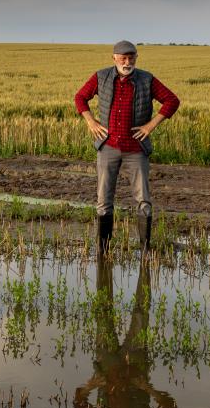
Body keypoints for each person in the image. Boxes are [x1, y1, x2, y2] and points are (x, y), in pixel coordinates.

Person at [74, 40, 180, 252]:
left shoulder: (146, 79)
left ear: (136, 58)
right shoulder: (101, 77)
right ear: (114, 58)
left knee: (143, 200)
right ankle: (103, 251)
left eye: (131, 57)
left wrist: (150, 126)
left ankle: (145, 250)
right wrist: (91, 122)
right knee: (104, 200)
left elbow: (172, 100)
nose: (127, 61)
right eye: (123, 57)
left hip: (136, 149)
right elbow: (80, 98)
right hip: (108, 147)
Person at [73, 256, 176, 408]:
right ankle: (145, 258)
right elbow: (170, 407)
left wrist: (91, 385)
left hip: (107, 362)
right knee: (141, 311)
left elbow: (78, 401)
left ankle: (105, 257)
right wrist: (148, 389)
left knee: (103, 311)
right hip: (135, 362)